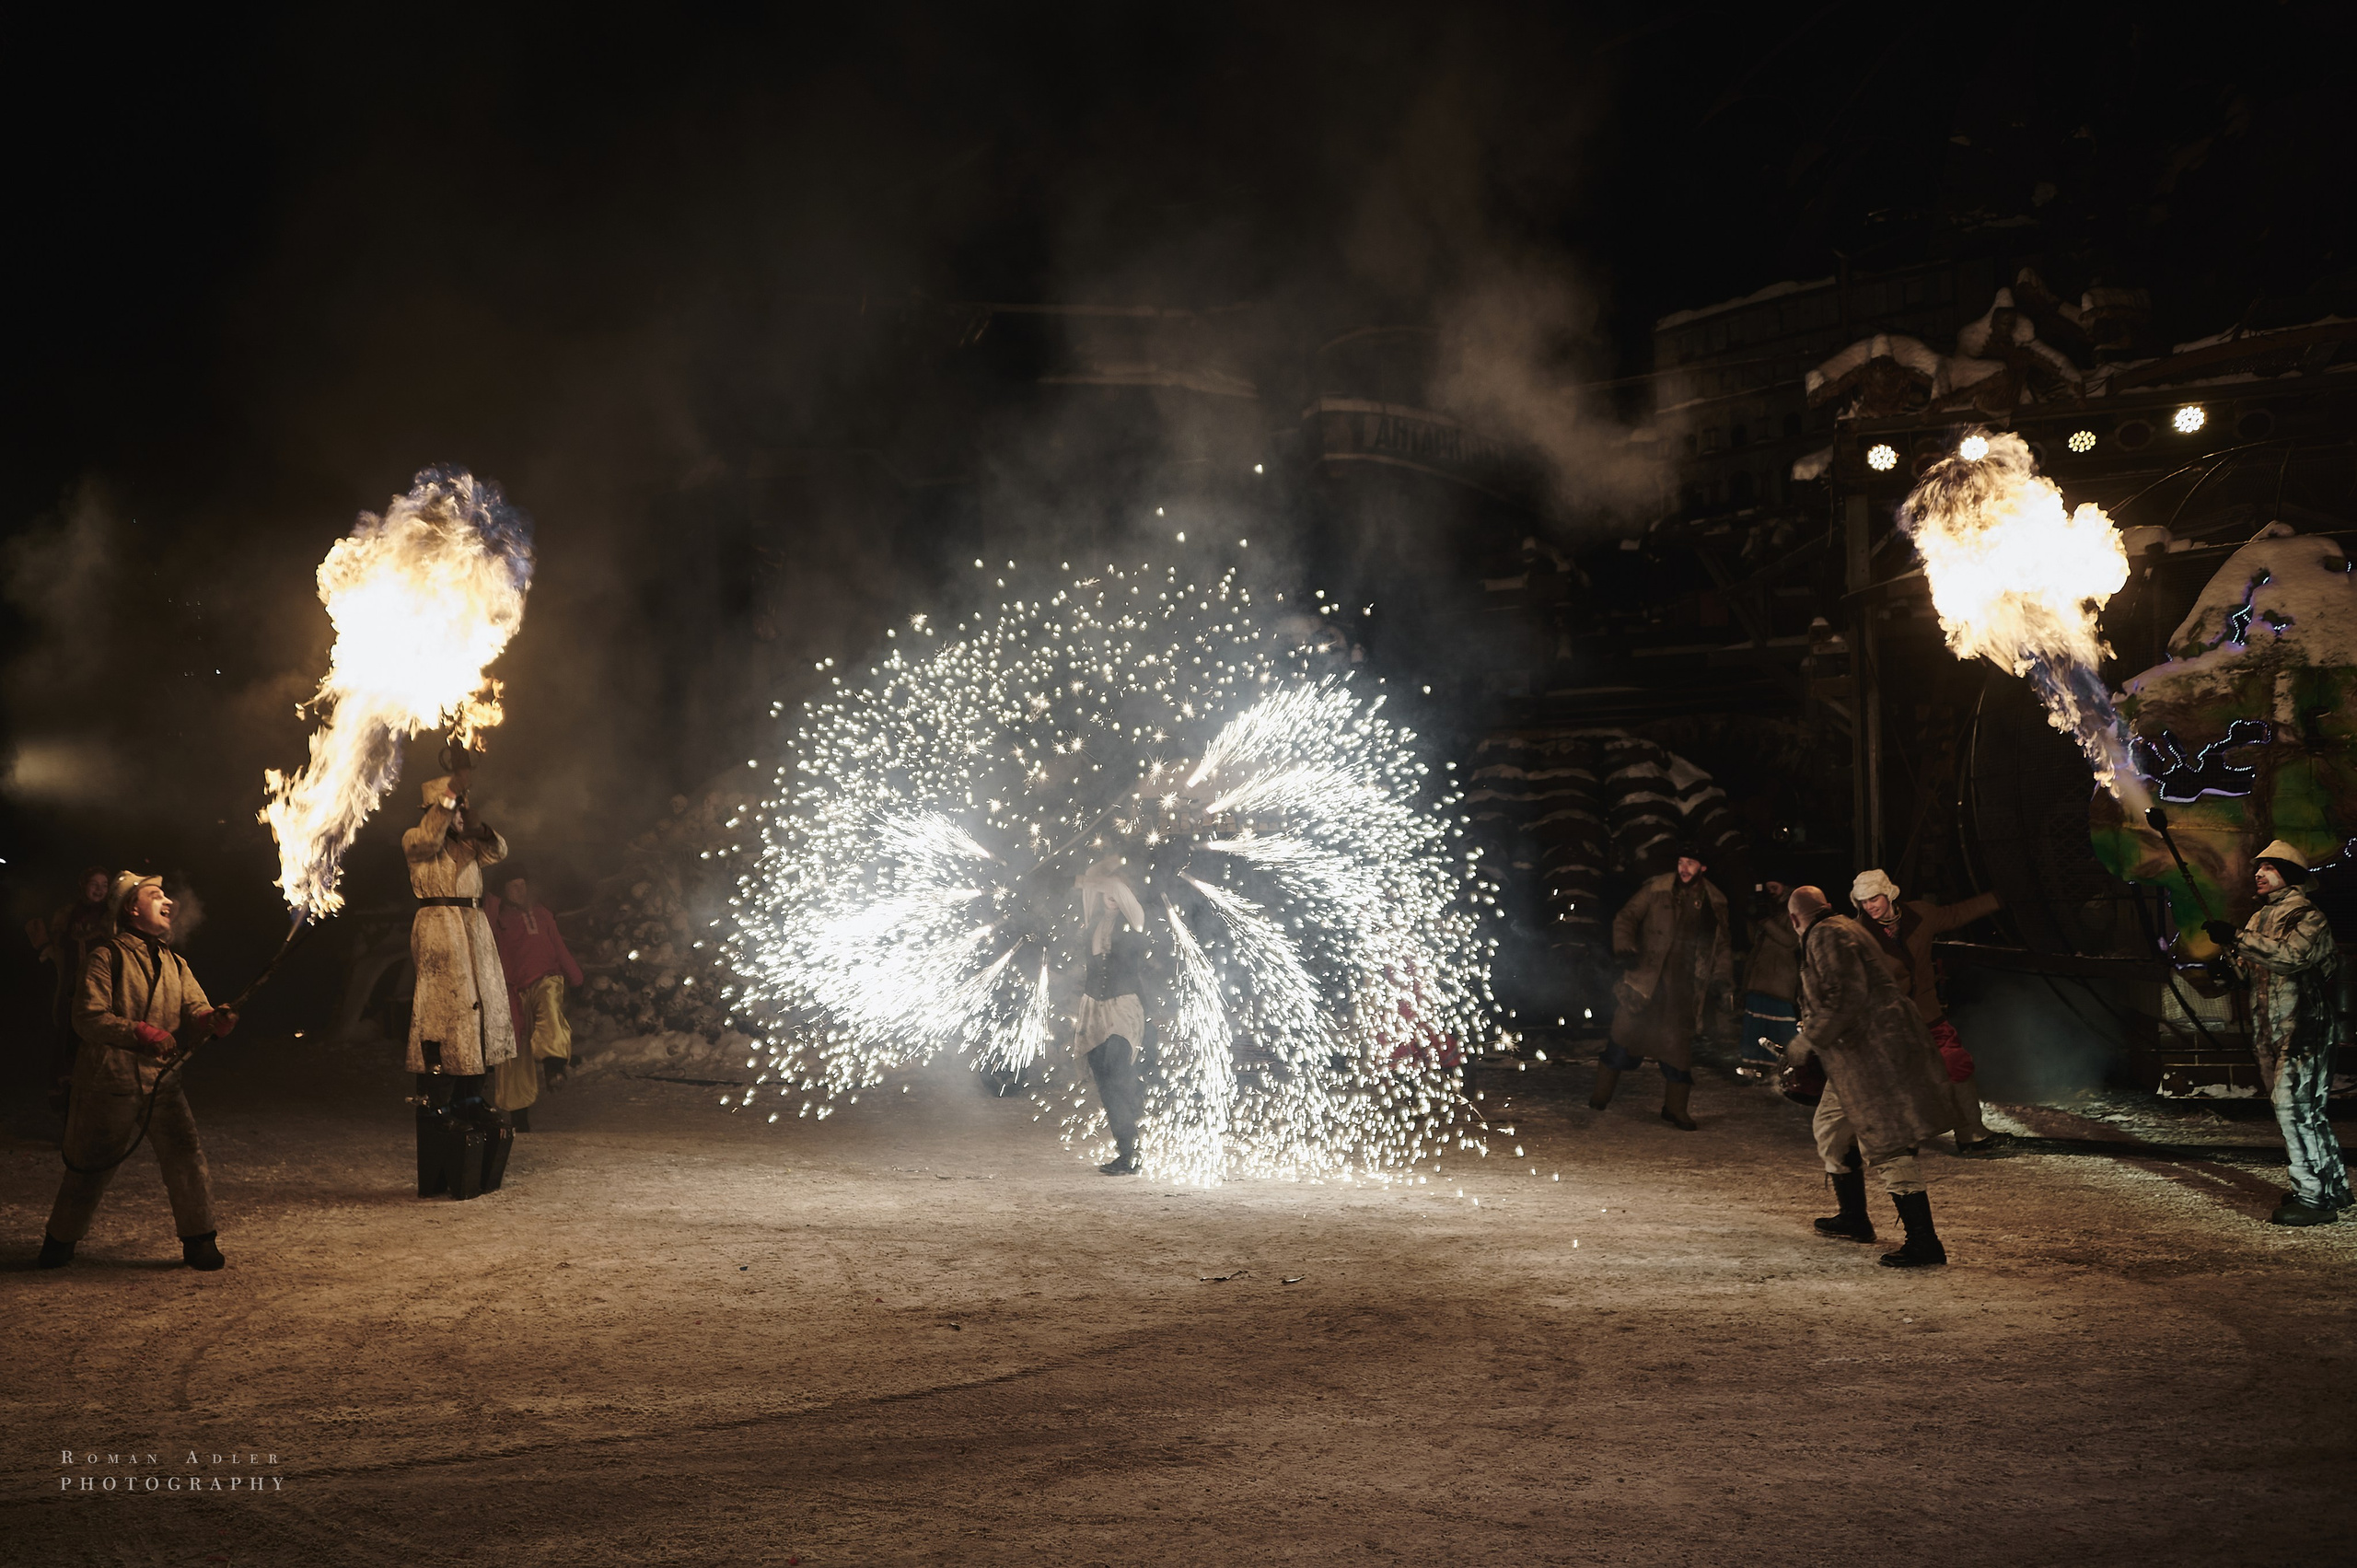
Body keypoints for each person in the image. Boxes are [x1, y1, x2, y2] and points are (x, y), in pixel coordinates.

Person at [36, 874, 237, 1271]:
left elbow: (196, 1010)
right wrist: (141, 1032)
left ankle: (199, 1239)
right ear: (131, 908)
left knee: (185, 1156)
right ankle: (60, 1239)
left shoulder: (175, 962)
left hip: (162, 1080)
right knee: (91, 1165)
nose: (168, 901)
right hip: (108, 1081)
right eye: (155, 895)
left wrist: (215, 1020)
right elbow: (87, 1018)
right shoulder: (105, 957)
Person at [1782, 885, 1958, 1267]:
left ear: (1795, 919)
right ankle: (1853, 1218)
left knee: (1886, 1142)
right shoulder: (1842, 928)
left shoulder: (1827, 934)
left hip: (1875, 1056)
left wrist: (1809, 1037)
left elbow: (1848, 994)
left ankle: (1924, 1242)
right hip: (1855, 1057)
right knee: (1831, 1127)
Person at [2204, 841, 2351, 1225]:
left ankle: (2314, 1199)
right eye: (2259, 866)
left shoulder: (2309, 916)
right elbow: (2252, 971)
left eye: (2269, 866)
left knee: (2294, 1109)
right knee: (2305, 1111)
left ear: (2290, 874)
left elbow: (2290, 957)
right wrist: (2228, 969)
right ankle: (2332, 1186)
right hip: (2270, 1028)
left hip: (2305, 1027)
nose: (2259, 873)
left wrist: (2236, 937)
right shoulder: (2258, 918)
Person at [404, 769, 518, 1194]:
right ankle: (439, 1099)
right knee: (444, 1016)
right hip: (440, 928)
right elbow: (430, 838)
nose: (455, 816)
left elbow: (499, 849)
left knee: (479, 1013)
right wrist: (449, 797)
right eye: (449, 808)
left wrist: (475, 822)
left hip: (473, 929)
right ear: (435, 809)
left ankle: (472, 1096)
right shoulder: (416, 840)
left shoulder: (471, 845)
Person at [1851, 869, 2010, 1156]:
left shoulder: (1920, 915)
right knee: (1897, 1077)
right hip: (1889, 1021)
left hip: (1926, 1012)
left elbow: (1955, 914)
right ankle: (1903, 1141)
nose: (1869, 906)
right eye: (1863, 901)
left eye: (1873, 898)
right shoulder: (1857, 934)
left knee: (1956, 1063)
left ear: (1888, 894)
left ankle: (1972, 1134)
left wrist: (2000, 897)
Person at [1596, 844, 1732, 1130]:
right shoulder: (1656, 889)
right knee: (1623, 1035)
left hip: (1682, 988)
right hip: (1645, 979)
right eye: (1681, 862)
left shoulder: (1713, 901)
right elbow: (1626, 916)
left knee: (1678, 1048)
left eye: (1690, 863)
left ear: (1703, 868)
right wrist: (1625, 948)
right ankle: (1601, 1094)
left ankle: (1675, 1109)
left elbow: (1720, 946)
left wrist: (1721, 978)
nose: (1684, 868)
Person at [484, 868, 586, 1132]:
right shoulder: (499, 918)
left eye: (522, 885)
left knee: (549, 1008)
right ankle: (519, 1117)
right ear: (504, 890)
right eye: (513, 886)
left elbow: (559, 947)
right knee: (515, 1054)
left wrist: (576, 979)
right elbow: (485, 930)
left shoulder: (541, 914)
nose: (520, 891)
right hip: (513, 991)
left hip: (545, 979)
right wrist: (493, 898)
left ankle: (554, 1066)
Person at [1074, 858, 1147, 1176]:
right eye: (1106, 893)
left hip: (1123, 1005)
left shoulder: (1135, 919)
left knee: (1117, 1074)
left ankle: (1132, 1152)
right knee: (1104, 1082)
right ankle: (1127, 1150)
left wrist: (1108, 877)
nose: (1111, 897)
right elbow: (1091, 884)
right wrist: (1099, 870)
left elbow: (1113, 887)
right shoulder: (1092, 920)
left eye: (1118, 892)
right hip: (1093, 1007)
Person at [26, 865, 116, 1119]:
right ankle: (71, 1106)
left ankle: (101, 1107)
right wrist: (45, 946)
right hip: (71, 993)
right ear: (83, 885)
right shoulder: (67, 916)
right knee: (70, 1044)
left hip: (104, 994)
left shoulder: (112, 917)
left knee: (100, 1044)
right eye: (94, 884)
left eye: (104, 885)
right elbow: (57, 951)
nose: (99, 889)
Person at [1739, 878, 1799, 1083]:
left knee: (1781, 1029)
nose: (1771, 892)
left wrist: (1766, 920)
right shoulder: (1770, 909)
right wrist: (1751, 918)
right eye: (1768, 888)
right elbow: (1754, 941)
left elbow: (1790, 941)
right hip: (1760, 978)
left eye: (1775, 887)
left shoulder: (1793, 909)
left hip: (1780, 980)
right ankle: (1754, 1069)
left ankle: (1787, 1072)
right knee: (1755, 1027)